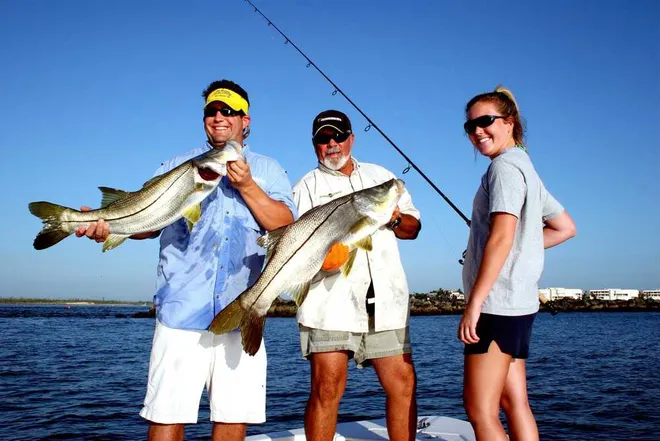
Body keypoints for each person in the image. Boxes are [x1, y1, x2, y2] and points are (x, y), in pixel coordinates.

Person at [76, 79, 296, 441]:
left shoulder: (269, 169)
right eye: (211, 111)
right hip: (180, 311)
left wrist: (248, 188)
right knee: (165, 416)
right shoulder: (178, 165)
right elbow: (147, 225)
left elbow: (287, 227)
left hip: (241, 311)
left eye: (228, 110)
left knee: (232, 417)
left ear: (246, 121)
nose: (219, 117)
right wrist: (109, 225)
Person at [292, 110, 422, 441]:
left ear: (351, 138)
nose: (332, 143)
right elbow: (296, 252)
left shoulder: (382, 178)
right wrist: (321, 261)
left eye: (338, 136)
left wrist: (392, 219)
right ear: (314, 145)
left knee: (403, 383)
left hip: (386, 303)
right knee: (326, 388)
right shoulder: (305, 188)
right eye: (323, 138)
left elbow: (413, 227)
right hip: (328, 305)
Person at [459, 86, 577, 441]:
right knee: (516, 402)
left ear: (509, 122)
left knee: (480, 410)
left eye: (485, 121)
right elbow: (565, 228)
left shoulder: (504, 168)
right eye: (470, 126)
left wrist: (475, 303)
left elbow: (502, 236)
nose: (477, 131)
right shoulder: (526, 166)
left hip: (496, 306)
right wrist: (523, 246)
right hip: (519, 305)